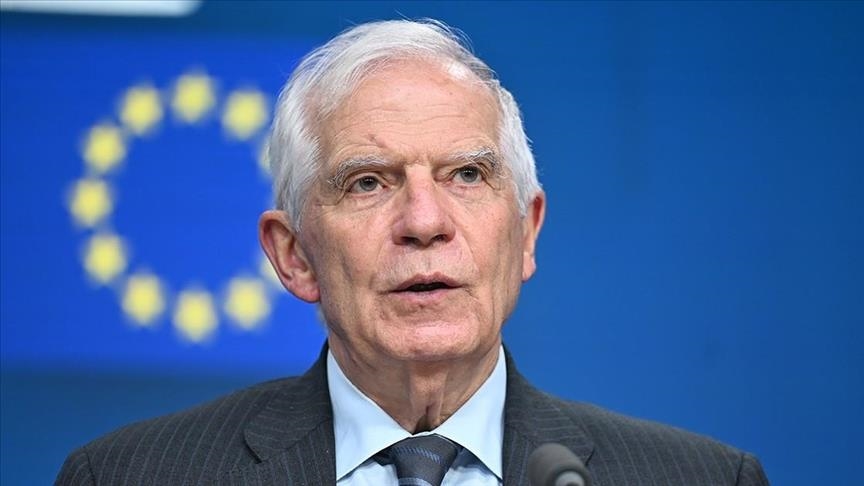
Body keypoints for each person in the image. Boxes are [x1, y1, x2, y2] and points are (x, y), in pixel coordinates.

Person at [56, 19, 769, 485]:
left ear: (526, 232)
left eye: (467, 175)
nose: (424, 222)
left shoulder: (701, 479)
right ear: (294, 255)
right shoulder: (129, 476)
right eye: (368, 182)